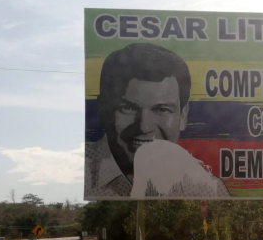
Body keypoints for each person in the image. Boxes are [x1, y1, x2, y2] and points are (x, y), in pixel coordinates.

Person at [85, 43, 230, 199]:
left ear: (183, 115)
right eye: (127, 108)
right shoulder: (81, 174)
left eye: (162, 110)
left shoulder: (208, 189)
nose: (144, 126)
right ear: (103, 109)